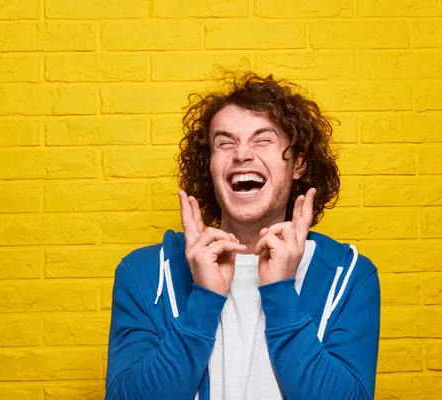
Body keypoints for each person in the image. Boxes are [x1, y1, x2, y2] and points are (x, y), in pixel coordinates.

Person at [105, 72, 381, 400]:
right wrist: (205, 300)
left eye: (262, 139)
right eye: (225, 142)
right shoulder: (146, 273)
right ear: (209, 165)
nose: (241, 154)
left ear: (298, 165)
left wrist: (280, 293)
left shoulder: (349, 276)